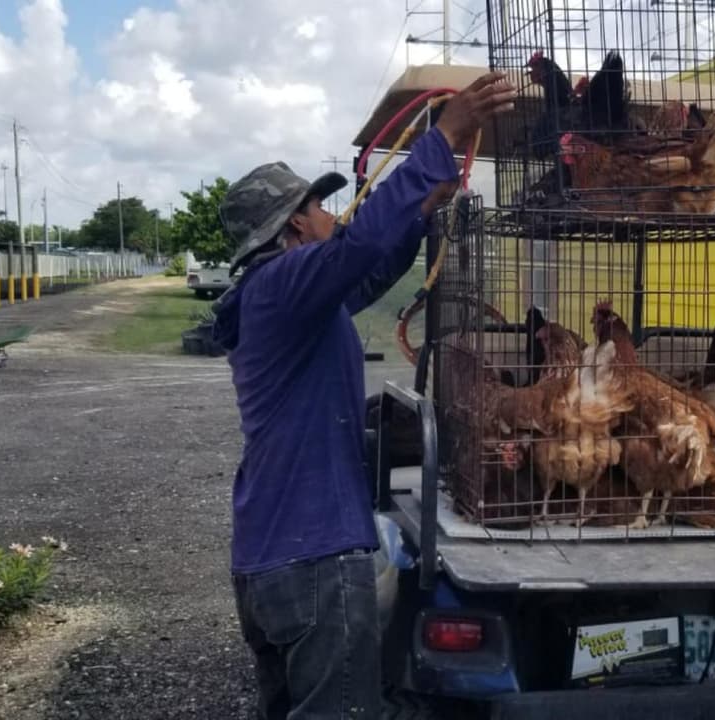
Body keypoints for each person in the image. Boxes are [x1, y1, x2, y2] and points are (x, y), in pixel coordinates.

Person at [211, 72, 515, 720]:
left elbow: (370, 268)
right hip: (315, 561)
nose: (332, 214)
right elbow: (360, 244)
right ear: (295, 225)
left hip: (273, 561)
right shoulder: (282, 287)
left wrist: (423, 209)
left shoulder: (289, 302)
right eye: (321, 208)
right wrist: (444, 136)